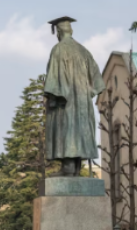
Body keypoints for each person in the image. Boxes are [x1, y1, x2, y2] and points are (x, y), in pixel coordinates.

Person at [43, 16, 105, 177]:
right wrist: (86, 93)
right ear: (70, 30)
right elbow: (98, 82)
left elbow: (53, 82)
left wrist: (52, 98)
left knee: (68, 129)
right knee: (79, 131)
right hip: (83, 102)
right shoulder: (84, 51)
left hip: (66, 100)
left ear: (58, 32)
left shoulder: (58, 49)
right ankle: (75, 169)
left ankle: (68, 168)